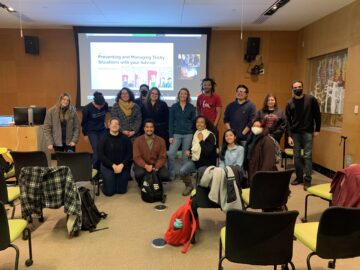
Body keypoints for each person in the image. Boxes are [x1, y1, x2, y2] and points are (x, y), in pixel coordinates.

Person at [286, 80, 321, 190]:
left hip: (307, 132)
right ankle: (299, 178)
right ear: (292, 89)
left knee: (307, 156)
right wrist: (289, 135)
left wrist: (317, 129)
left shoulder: (311, 99)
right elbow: (288, 121)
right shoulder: (289, 103)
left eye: (299, 86)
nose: (297, 89)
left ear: (302, 87)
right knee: (296, 157)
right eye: (295, 87)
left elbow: (317, 115)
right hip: (295, 133)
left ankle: (307, 180)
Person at [179, 115, 217, 196]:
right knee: (182, 171)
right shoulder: (196, 133)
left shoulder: (210, 135)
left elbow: (208, 152)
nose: (199, 124)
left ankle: (202, 192)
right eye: (197, 122)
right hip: (195, 161)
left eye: (201, 122)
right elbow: (194, 147)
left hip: (206, 163)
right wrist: (189, 150)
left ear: (205, 125)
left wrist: (201, 140)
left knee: (199, 178)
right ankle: (189, 186)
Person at [97, 117, 132, 196]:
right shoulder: (103, 138)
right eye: (113, 123)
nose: (115, 125)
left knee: (121, 191)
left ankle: (114, 180)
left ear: (120, 126)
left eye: (117, 124)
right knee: (109, 192)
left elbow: (129, 154)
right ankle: (103, 182)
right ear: (109, 125)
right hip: (108, 166)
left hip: (122, 166)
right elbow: (101, 155)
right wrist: (113, 166)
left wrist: (122, 165)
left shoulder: (126, 139)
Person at [167, 88, 196, 181]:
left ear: (187, 96)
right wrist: (170, 136)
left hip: (188, 134)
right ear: (178, 95)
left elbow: (193, 121)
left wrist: (193, 135)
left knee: (185, 156)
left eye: (185, 94)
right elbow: (170, 122)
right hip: (176, 134)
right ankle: (171, 174)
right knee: (171, 153)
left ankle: (183, 174)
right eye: (181, 93)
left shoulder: (191, 107)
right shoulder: (174, 107)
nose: (183, 95)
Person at [133, 119, 169, 187]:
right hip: (142, 166)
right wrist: (146, 166)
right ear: (144, 128)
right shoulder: (137, 141)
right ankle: (142, 184)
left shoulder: (161, 140)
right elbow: (136, 157)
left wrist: (156, 167)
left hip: (156, 165)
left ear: (154, 128)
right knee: (139, 174)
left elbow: (162, 157)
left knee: (165, 175)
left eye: (151, 127)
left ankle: (156, 182)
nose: (149, 129)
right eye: (147, 127)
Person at [81, 91, 108, 171]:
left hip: (102, 129)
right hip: (92, 131)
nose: (99, 108)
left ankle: (103, 169)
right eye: (98, 106)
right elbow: (84, 123)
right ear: (94, 102)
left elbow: (104, 114)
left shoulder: (105, 105)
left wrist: (104, 122)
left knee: (104, 148)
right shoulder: (87, 108)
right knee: (96, 149)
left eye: (101, 106)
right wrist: (85, 134)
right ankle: (94, 171)